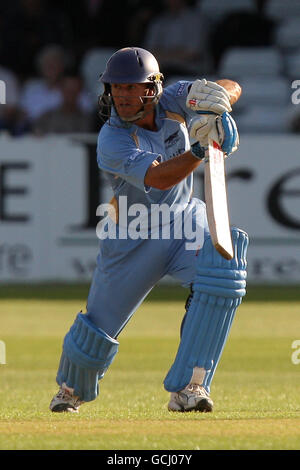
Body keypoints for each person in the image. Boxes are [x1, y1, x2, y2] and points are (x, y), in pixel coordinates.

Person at [49, 47, 248, 413]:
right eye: (116, 88)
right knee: (98, 329)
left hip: (185, 220)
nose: (122, 96)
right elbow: (158, 178)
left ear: (153, 88)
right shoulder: (112, 139)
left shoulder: (174, 99)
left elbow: (229, 86)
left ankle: (191, 386)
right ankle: (71, 388)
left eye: (132, 87)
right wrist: (201, 152)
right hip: (132, 235)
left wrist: (219, 103)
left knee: (224, 275)